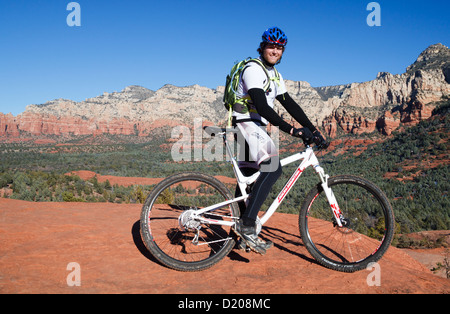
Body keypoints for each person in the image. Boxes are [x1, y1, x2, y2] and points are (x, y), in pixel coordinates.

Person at [232, 26, 329, 254]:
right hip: (246, 123)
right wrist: (293, 130)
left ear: (282, 51)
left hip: (251, 126)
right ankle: (247, 226)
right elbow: (263, 106)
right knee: (273, 168)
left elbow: (289, 104)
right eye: (271, 46)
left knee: (247, 181)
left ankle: (237, 234)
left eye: (279, 47)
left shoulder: (274, 75)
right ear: (262, 47)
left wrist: (314, 130)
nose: (274, 50)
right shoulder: (253, 69)